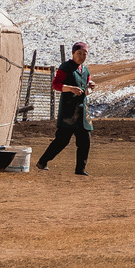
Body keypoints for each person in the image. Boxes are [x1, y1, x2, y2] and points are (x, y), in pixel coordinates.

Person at [36, 42, 92, 174]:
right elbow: (56, 85)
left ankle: (80, 169)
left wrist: (90, 85)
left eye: (84, 54)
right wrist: (71, 89)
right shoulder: (66, 67)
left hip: (82, 111)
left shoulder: (85, 70)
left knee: (85, 140)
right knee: (62, 140)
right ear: (73, 54)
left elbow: (86, 84)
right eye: (79, 53)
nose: (82, 56)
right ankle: (42, 161)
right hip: (68, 111)